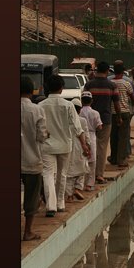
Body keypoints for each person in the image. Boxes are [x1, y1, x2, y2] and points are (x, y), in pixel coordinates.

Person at [38, 75, 90, 216]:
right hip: (65, 145)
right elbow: (78, 128)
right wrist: (84, 145)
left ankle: (51, 206)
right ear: (61, 89)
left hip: (47, 146)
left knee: (48, 174)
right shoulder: (68, 105)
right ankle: (60, 203)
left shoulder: (40, 106)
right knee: (62, 174)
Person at [84, 61, 122, 184]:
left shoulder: (89, 85)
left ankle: (87, 175)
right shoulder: (111, 86)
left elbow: (83, 100)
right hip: (105, 119)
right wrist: (119, 117)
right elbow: (116, 103)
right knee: (101, 147)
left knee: (88, 145)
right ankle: (99, 175)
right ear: (107, 71)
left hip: (88, 119)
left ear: (97, 70)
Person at [21, 75, 49, 240]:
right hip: (32, 161)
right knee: (32, 196)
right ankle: (27, 232)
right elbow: (41, 136)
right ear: (32, 92)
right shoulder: (37, 110)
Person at [110, 61, 134, 168]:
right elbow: (133, 99)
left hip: (112, 113)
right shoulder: (126, 83)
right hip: (124, 113)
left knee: (113, 136)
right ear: (123, 71)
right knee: (123, 137)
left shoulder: (110, 82)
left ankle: (113, 158)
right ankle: (121, 159)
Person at [65, 97, 91, 202]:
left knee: (69, 173)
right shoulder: (82, 121)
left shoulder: (66, 120)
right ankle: (77, 188)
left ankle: (69, 195)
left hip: (69, 148)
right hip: (81, 147)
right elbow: (86, 135)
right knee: (82, 170)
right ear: (80, 110)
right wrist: (88, 147)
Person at [79, 91, 102, 191]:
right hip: (92, 136)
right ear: (91, 101)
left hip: (80, 137)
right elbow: (99, 127)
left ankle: (80, 184)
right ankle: (89, 184)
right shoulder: (95, 113)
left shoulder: (79, 112)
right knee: (92, 161)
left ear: (81, 101)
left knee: (82, 160)